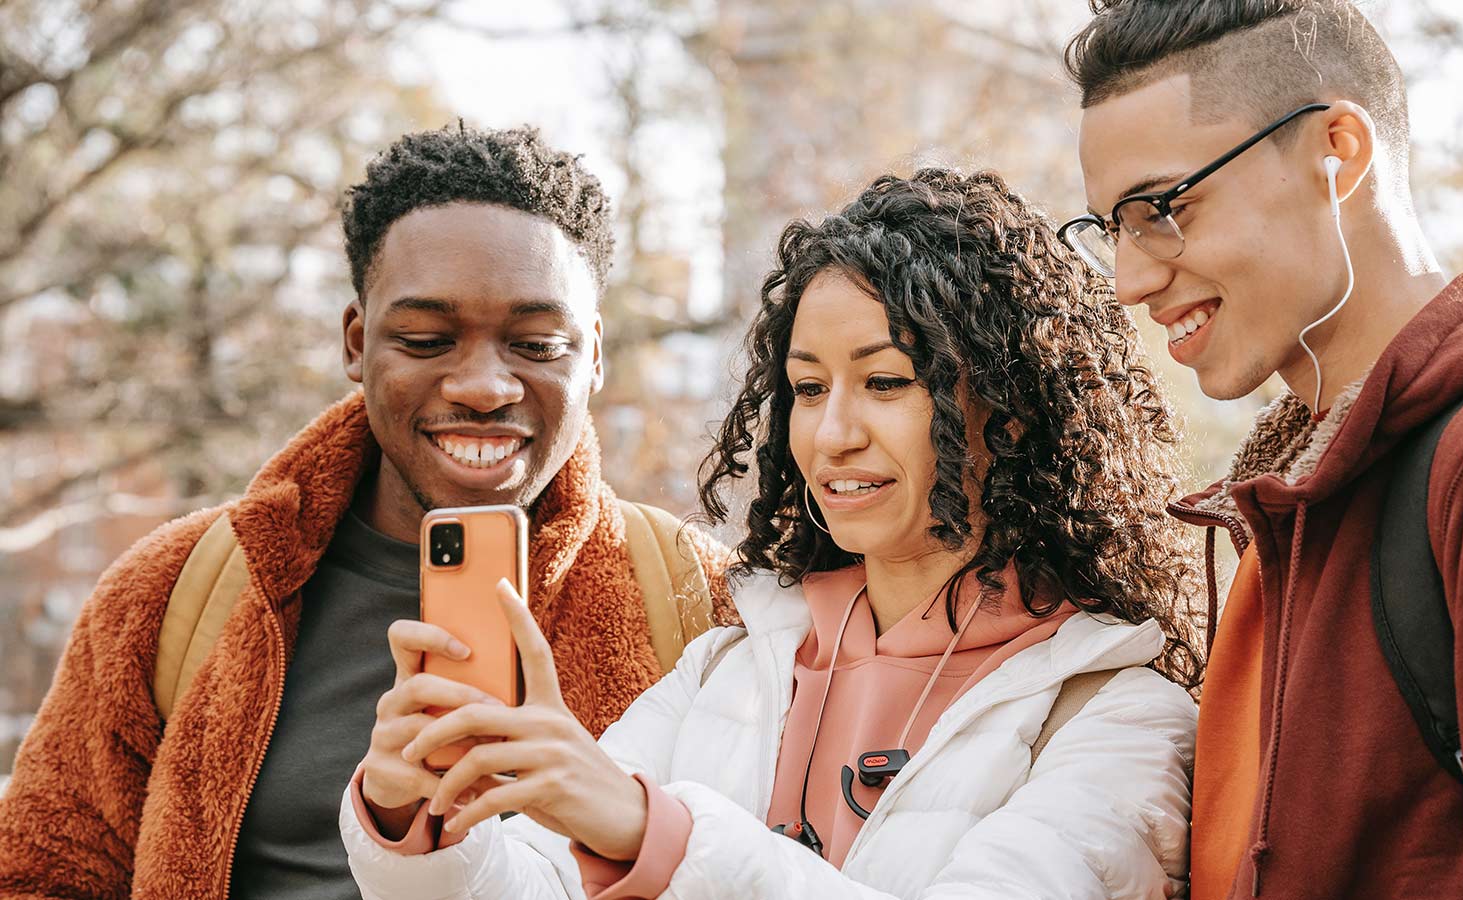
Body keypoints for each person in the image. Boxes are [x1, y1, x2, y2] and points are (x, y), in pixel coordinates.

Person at [338, 167, 1202, 899]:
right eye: (810, 388)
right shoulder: (729, 663)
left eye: (889, 382)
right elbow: (543, 882)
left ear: (1013, 408)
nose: (833, 435)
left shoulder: (1112, 712)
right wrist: (415, 819)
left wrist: (652, 830)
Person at [0, 124, 734, 900]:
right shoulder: (169, 596)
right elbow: (41, 877)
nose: (483, 387)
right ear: (357, 342)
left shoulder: (699, 602)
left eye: (537, 344)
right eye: (425, 340)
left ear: (594, 353)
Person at [1062, 2, 1463, 898]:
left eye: (1161, 209)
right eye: (1109, 227)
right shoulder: (1291, 499)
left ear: (1337, 151)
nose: (1129, 280)